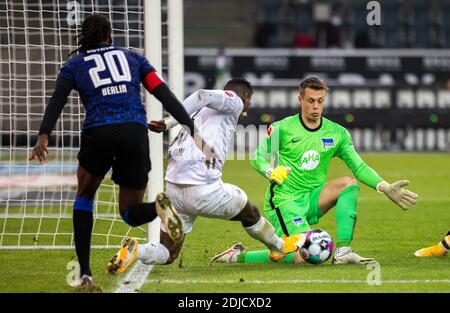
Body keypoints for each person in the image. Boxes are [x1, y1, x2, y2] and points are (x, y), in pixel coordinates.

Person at [28, 14, 208, 289]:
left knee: (85, 195)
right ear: (109, 37)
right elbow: (163, 93)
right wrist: (191, 126)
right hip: (135, 132)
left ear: (84, 39)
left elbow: (57, 100)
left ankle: (85, 273)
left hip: (98, 132)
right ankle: (161, 207)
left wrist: (43, 135)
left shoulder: (74, 64)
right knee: (130, 212)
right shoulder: (132, 58)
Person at [211, 76, 419, 265]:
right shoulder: (283, 128)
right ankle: (236, 256)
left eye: (320, 101)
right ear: (300, 99)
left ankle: (344, 251)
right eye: (311, 100)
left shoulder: (337, 133)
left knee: (349, 184)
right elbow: (258, 158)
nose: (316, 106)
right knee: (304, 258)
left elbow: (358, 166)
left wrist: (384, 186)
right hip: (285, 202)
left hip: (313, 198)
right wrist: (270, 172)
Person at [106, 78, 303, 274]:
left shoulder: (198, 113)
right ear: (244, 96)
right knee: (248, 210)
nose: (249, 106)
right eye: (249, 100)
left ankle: (136, 250)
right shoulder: (234, 100)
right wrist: (168, 122)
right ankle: (279, 247)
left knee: (168, 251)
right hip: (203, 189)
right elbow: (202, 94)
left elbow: (200, 103)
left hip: (174, 188)